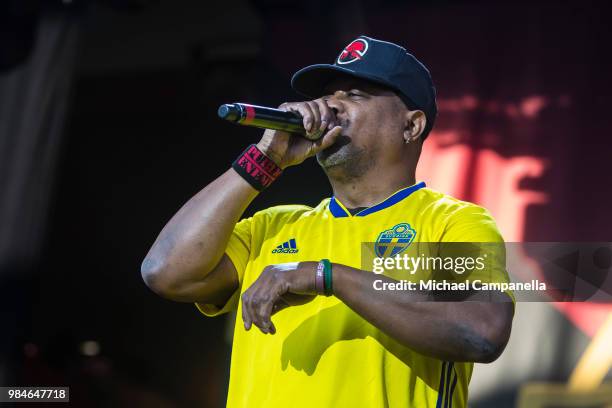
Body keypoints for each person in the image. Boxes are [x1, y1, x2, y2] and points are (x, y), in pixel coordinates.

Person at [141, 35, 514, 408]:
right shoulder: (272, 227)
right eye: (326, 96)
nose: (329, 106)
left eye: (355, 94)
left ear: (411, 125)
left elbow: (481, 330)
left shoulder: (453, 222)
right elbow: (164, 271)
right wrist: (263, 160)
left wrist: (325, 276)